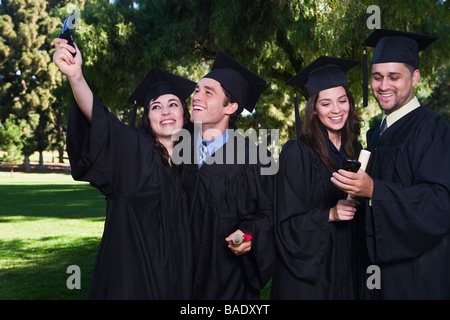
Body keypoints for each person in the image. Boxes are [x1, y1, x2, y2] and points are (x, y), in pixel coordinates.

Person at [52, 38, 195, 299]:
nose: (165, 111)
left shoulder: (192, 167)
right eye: (156, 106)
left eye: (173, 104)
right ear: (147, 117)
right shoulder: (133, 148)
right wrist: (76, 77)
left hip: (177, 282)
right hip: (131, 279)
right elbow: (101, 121)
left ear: (185, 114)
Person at [331, 29, 450, 299]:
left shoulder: (435, 130)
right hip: (375, 273)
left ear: (415, 77)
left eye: (394, 77)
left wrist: (376, 190)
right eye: (377, 77)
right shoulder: (375, 134)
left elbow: (440, 204)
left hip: (416, 276)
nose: (384, 85)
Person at [180, 50, 275, 299]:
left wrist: (248, 235)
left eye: (208, 92)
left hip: (227, 285)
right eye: (197, 90)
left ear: (230, 107)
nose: (196, 96)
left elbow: (270, 215)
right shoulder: (177, 149)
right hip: (176, 276)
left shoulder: (254, 158)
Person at [271, 56, 362, 299]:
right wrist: (330, 214)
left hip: (346, 269)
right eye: (326, 103)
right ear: (314, 109)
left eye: (342, 101)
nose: (336, 110)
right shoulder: (297, 153)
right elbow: (285, 224)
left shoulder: (355, 150)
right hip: (311, 278)